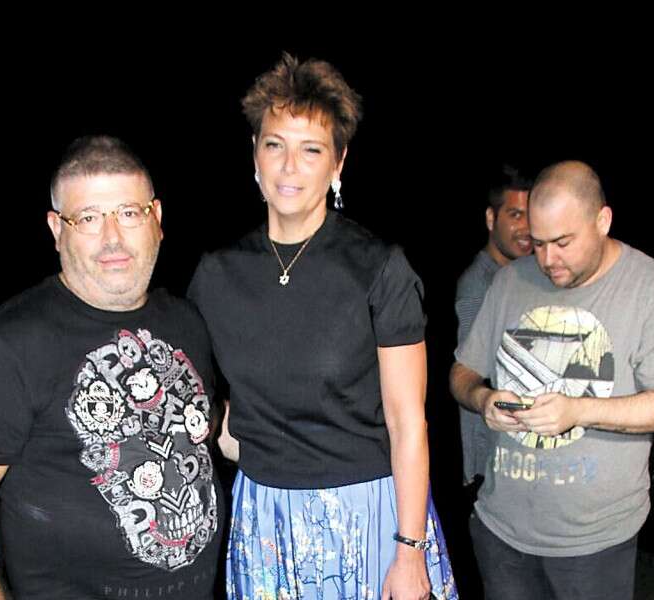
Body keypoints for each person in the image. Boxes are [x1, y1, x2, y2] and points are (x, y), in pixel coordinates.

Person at [188, 53, 457, 600]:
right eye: (275, 145)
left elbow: (408, 423)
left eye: (311, 150)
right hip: (264, 514)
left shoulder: (378, 268)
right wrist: (229, 431)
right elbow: (207, 393)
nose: (290, 167)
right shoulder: (216, 274)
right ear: (255, 154)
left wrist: (409, 550)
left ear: (338, 163)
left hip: (368, 513)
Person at [0, 136, 223, 599]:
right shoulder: (5, 346)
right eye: (88, 218)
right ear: (56, 229)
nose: (112, 237)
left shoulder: (187, 322)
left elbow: (207, 431)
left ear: (157, 219)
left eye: (129, 212)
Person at [449, 160, 654, 600]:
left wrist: (578, 410)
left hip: (595, 545)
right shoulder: (509, 280)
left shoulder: (649, 286)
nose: (547, 260)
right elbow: (461, 373)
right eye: (539, 242)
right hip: (501, 534)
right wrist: (483, 398)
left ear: (602, 221)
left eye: (563, 243)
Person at [455, 166, 532, 492]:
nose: (527, 227)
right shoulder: (479, 286)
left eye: (532, 215)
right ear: (491, 219)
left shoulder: (522, 278)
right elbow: (473, 376)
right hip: (489, 465)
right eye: (515, 215)